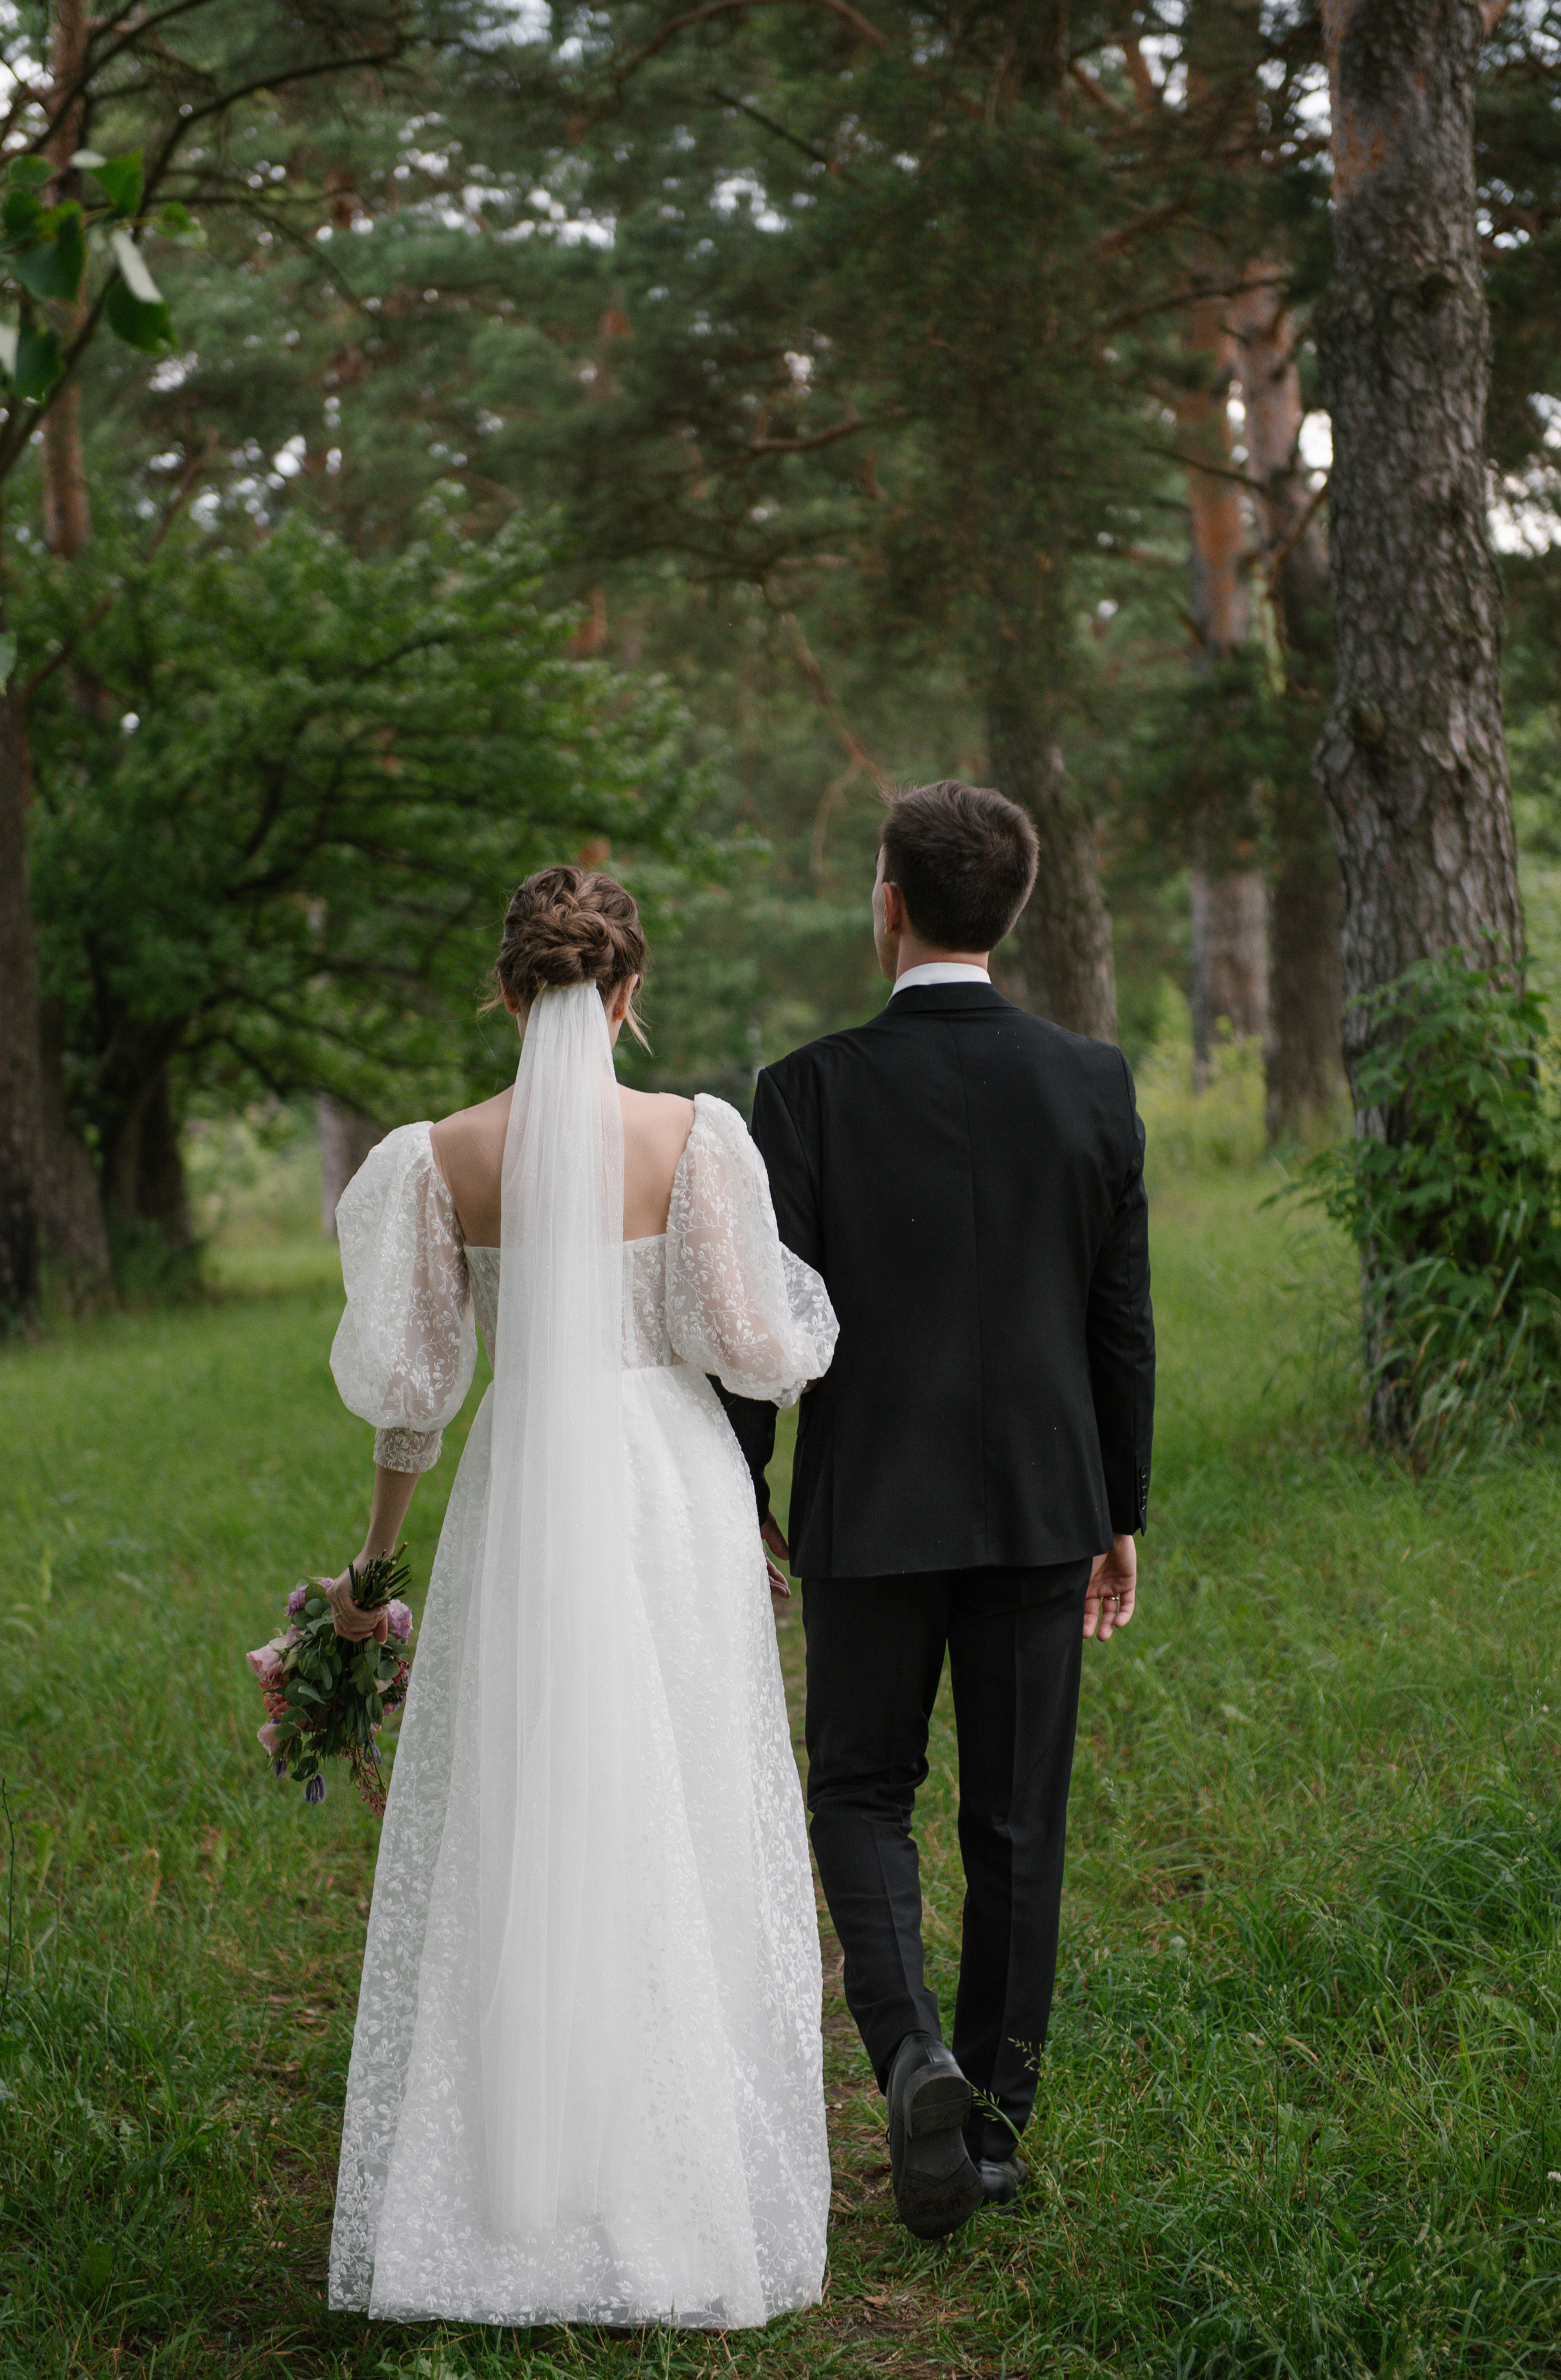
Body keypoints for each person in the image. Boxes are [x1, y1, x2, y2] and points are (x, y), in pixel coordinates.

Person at [322, 866, 838, 2329]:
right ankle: (673, 2200)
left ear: (506, 994)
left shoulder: (439, 1159)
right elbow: (745, 1344)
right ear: (626, 997)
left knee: (522, 1819)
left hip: (520, 1494)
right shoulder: (693, 1137)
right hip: (668, 1487)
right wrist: (810, 1341)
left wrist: (370, 1575)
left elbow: (412, 1403)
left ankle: (504, 2217)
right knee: (669, 1804)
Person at [719, 780, 1155, 2240]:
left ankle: (913, 2052)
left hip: (868, 1500)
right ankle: (997, 2134)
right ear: (1008, 913)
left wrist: (743, 1487)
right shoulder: (1092, 1081)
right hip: (1045, 1497)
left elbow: (761, 1324)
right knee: (1016, 1817)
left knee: (857, 1789)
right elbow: (1119, 1321)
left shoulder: (806, 1086)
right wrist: (1121, 1504)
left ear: (887, 902)